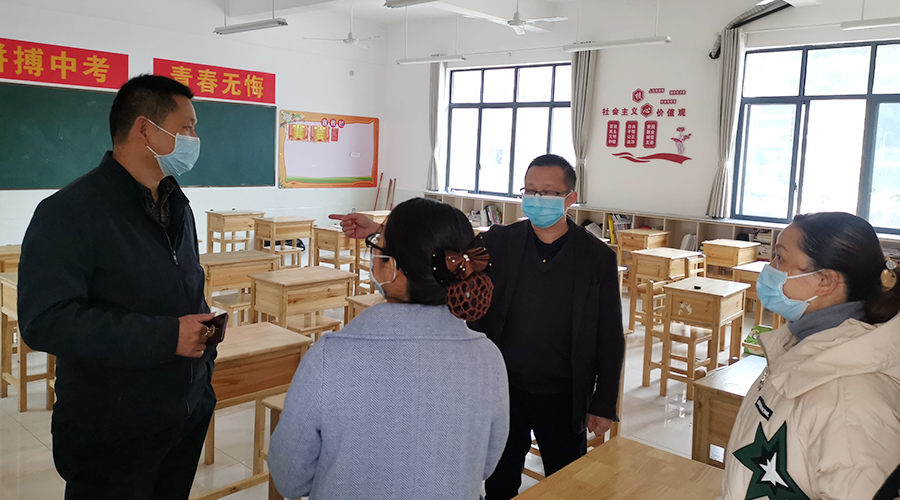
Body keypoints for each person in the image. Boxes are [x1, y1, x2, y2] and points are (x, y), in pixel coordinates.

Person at [335, 154, 625, 499]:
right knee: (499, 481)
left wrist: (603, 403)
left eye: (547, 192)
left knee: (567, 485)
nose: (536, 199)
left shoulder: (597, 257)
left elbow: (610, 334)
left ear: (570, 198)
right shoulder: (499, 242)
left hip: (565, 393)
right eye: (530, 190)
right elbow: (439, 243)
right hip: (502, 386)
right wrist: (380, 231)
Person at [18, 75, 216, 500]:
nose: (194, 140)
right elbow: (45, 321)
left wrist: (204, 370)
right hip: (113, 434)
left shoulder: (176, 204)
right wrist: (167, 336)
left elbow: (187, 286)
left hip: (182, 418)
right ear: (145, 130)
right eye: (186, 128)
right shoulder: (69, 212)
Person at [268, 198, 509, 500]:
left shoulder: (331, 358)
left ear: (391, 268)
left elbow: (290, 477)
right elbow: (485, 465)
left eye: (376, 246)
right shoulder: (488, 358)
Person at [719, 212, 900, 500]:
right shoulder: (801, 346)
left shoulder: (852, 399)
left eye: (780, 257)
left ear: (826, 281)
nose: (770, 267)